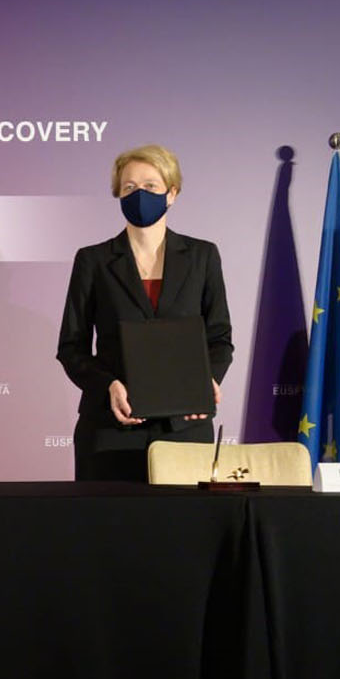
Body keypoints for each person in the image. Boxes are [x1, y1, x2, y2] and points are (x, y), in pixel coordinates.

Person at [57, 144, 232, 481]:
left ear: (172, 193)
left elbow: (219, 337)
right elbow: (71, 347)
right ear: (118, 195)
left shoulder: (202, 256)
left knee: (182, 530)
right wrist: (108, 386)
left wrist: (206, 381)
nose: (139, 195)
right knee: (110, 530)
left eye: (151, 186)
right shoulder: (93, 260)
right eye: (129, 187)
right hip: (110, 430)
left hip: (185, 426)